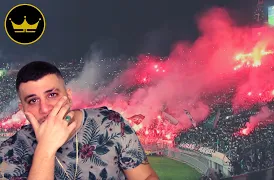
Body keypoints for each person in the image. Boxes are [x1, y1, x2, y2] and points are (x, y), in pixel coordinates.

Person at [0, 61, 159, 180]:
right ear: (23, 109)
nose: (45, 108)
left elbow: (145, 177)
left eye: (52, 95)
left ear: (68, 96)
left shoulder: (111, 124)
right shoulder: (10, 151)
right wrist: (45, 150)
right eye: (33, 101)